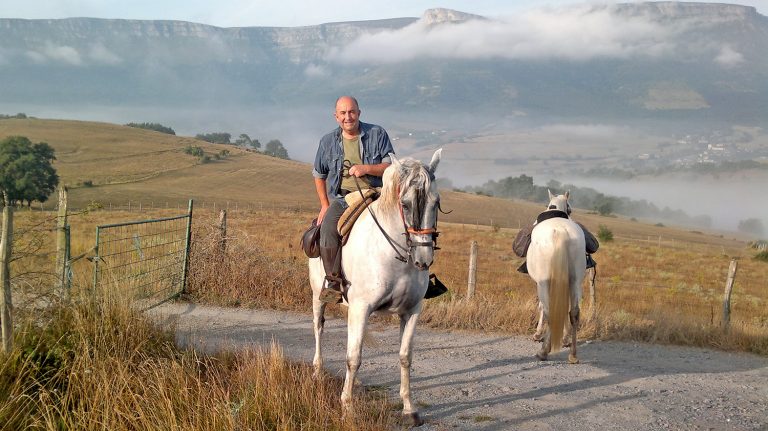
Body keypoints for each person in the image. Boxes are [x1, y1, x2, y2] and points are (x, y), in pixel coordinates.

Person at [312, 96, 394, 303]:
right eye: (343, 113)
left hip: (378, 194)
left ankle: (419, 278)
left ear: (359, 113)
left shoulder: (377, 133)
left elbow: (391, 166)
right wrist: (324, 204)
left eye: (352, 112)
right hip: (344, 198)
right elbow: (318, 174)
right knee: (328, 227)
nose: (348, 117)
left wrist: (366, 168)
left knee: (412, 219)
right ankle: (333, 282)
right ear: (336, 116)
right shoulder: (327, 141)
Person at [513, 206, 599, 274]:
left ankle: (529, 263)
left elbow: (518, 250)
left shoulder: (538, 225)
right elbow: (593, 247)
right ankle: (585, 261)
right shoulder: (572, 222)